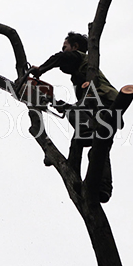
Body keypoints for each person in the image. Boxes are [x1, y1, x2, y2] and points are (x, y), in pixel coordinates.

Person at [30, 32, 119, 203]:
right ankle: (100, 187)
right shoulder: (79, 75)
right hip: (100, 108)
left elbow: (60, 57)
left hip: (106, 103)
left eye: (65, 46)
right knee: (98, 149)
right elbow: (79, 105)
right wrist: (55, 102)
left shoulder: (80, 58)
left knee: (78, 121)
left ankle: (85, 131)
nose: (63, 51)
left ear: (75, 47)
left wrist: (40, 69)